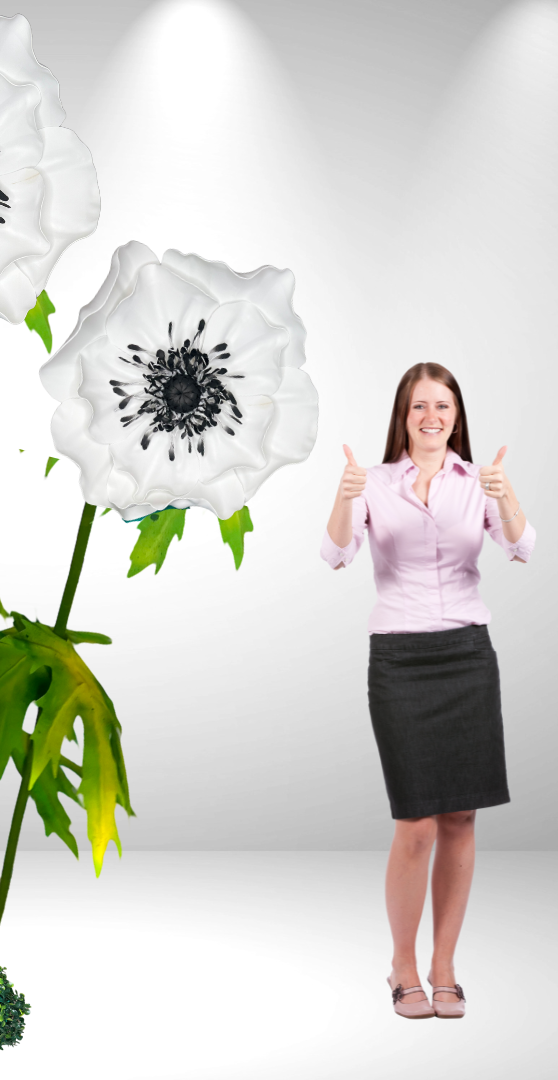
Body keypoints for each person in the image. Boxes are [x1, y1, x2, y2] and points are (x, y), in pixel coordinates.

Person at [321, 362, 535, 1020]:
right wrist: (343, 492)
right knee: (415, 824)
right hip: (400, 660)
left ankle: (444, 965)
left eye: (443, 406)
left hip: (468, 655)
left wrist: (505, 493)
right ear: (404, 417)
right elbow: (333, 556)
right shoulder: (375, 483)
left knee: (461, 818)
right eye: (419, 406)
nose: (431, 417)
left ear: (457, 417)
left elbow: (525, 546)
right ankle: (402, 964)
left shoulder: (479, 482)